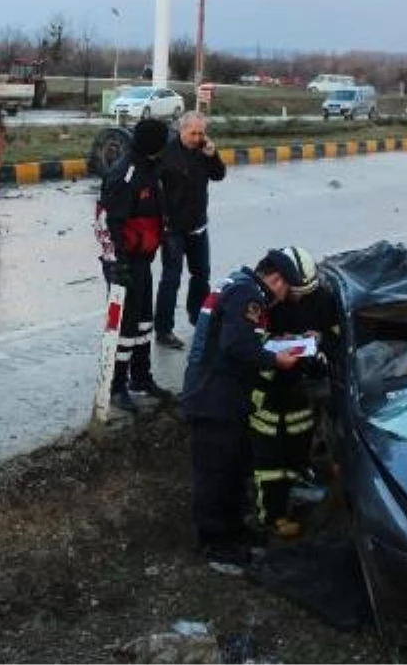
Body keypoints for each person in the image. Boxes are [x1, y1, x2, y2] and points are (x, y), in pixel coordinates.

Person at [180, 248, 311, 574]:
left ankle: (234, 530)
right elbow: (236, 345)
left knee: (235, 467)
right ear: (277, 280)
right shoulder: (248, 294)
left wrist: (281, 341)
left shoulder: (238, 285)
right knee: (216, 474)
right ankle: (214, 543)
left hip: (224, 396)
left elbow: (241, 337)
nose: (284, 299)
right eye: (288, 291)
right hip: (214, 399)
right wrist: (275, 359)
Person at [248, 250, 339, 540]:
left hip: (300, 388)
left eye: (303, 293)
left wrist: (321, 338)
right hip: (268, 390)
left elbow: (336, 336)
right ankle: (271, 517)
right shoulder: (262, 301)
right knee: (269, 459)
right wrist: (275, 343)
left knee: (297, 448)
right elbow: (246, 345)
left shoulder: (321, 299)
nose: (298, 299)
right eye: (294, 292)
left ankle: (296, 494)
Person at [95, 118, 173, 413]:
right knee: (125, 327)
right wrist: (117, 265)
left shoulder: (151, 170)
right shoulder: (124, 175)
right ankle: (115, 387)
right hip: (124, 263)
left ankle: (141, 378)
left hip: (142, 259)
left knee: (143, 323)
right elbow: (107, 223)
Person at [154, 111, 226, 350]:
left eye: (201, 133)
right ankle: (163, 329)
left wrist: (213, 155)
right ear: (181, 130)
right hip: (173, 228)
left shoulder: (203, 150)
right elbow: (155, 186)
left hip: (198, 225)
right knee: (171, 278)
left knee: (201, 275)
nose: (197, 137)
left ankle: (199, 318)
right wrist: (162, 218)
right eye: (193, 133)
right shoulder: (166, 153)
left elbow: (219, 175)